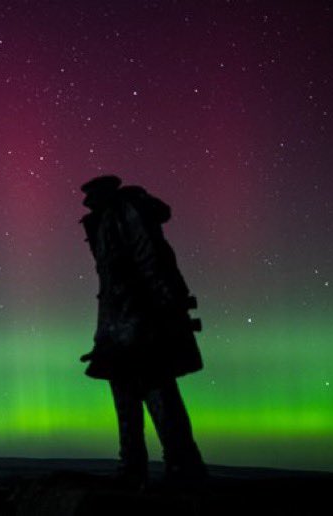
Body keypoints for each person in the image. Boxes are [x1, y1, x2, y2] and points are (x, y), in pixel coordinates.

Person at [78, 174, 208, 490]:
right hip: (120, 324)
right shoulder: (107, 220)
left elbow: (148, 260)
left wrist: (164, 311)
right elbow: (113, 281)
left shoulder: (124, 212)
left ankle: (180, 467)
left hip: (140, 323)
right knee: (127, 394)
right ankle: (135, 468)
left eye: (91, 195)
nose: (86, 202)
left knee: (157, 391)